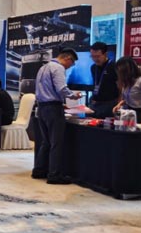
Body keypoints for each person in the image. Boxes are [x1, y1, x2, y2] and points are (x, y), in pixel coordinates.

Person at [32, 48, 82, 185]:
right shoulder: (58, 68)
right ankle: (54, 175)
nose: (70, 67)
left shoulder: (43, 67)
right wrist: (73, 96)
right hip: (53, 109)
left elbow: (44, 89)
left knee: (46, 142)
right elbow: (61, 88)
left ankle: (38, 170)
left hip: (41, 107)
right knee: (56, 143)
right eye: (71, 63)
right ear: (68, 58)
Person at [88, 42, 118, 118]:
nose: (95, 59)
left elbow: (120, 87)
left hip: (109, 103)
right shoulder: (93, 67)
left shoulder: (114, 66)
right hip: (95, 103)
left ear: (105, 54)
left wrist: (118, 104)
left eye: (98, 56)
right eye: (92, 56)